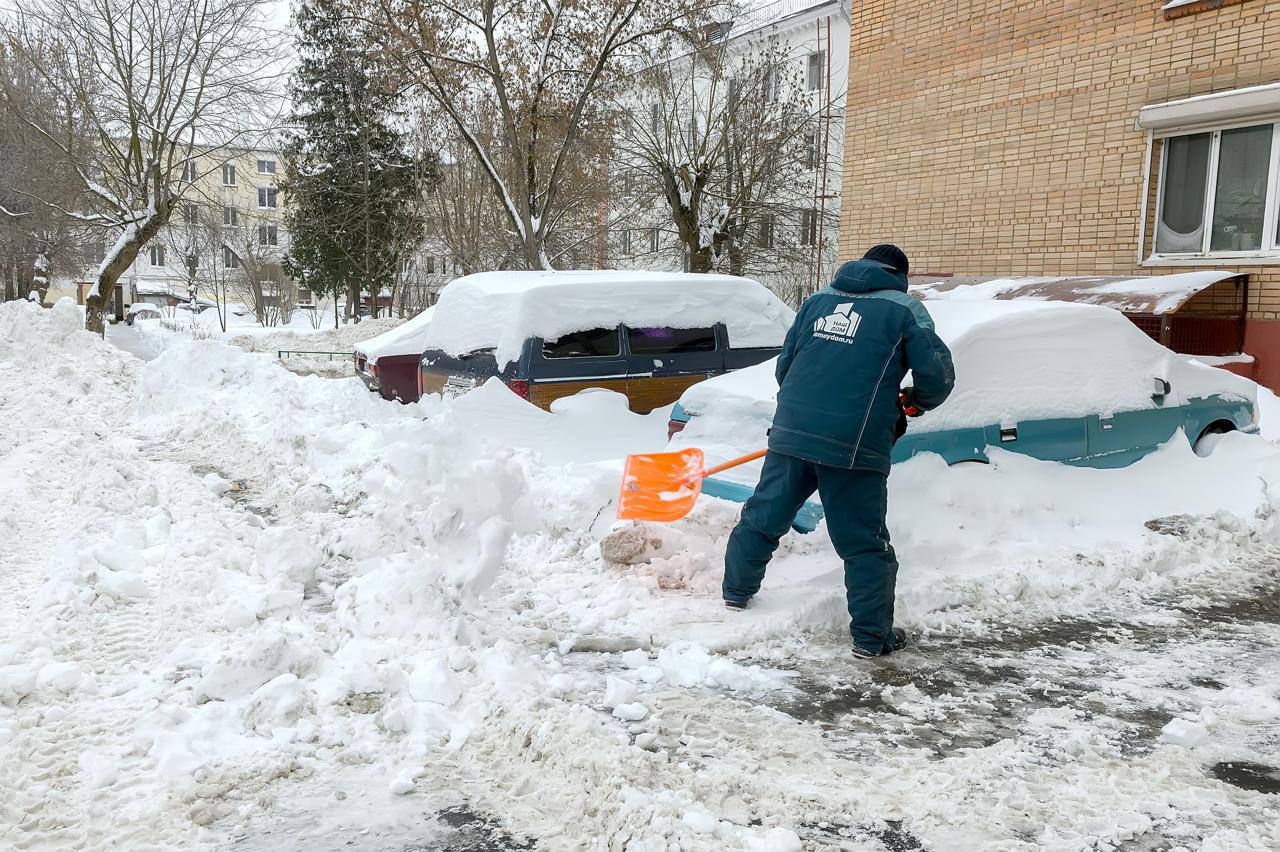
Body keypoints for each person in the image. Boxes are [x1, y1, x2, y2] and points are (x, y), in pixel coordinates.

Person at [721, 244, 955, 658]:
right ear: (900, 275)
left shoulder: (817, 302)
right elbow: (935, 374)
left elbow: (785, 366)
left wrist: (803, 410)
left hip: (792, 431)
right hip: (854, 442)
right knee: (864, 543)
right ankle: (871, 638)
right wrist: (917, 400)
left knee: (764, 514)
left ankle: (735, 593)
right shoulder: (905, 310)